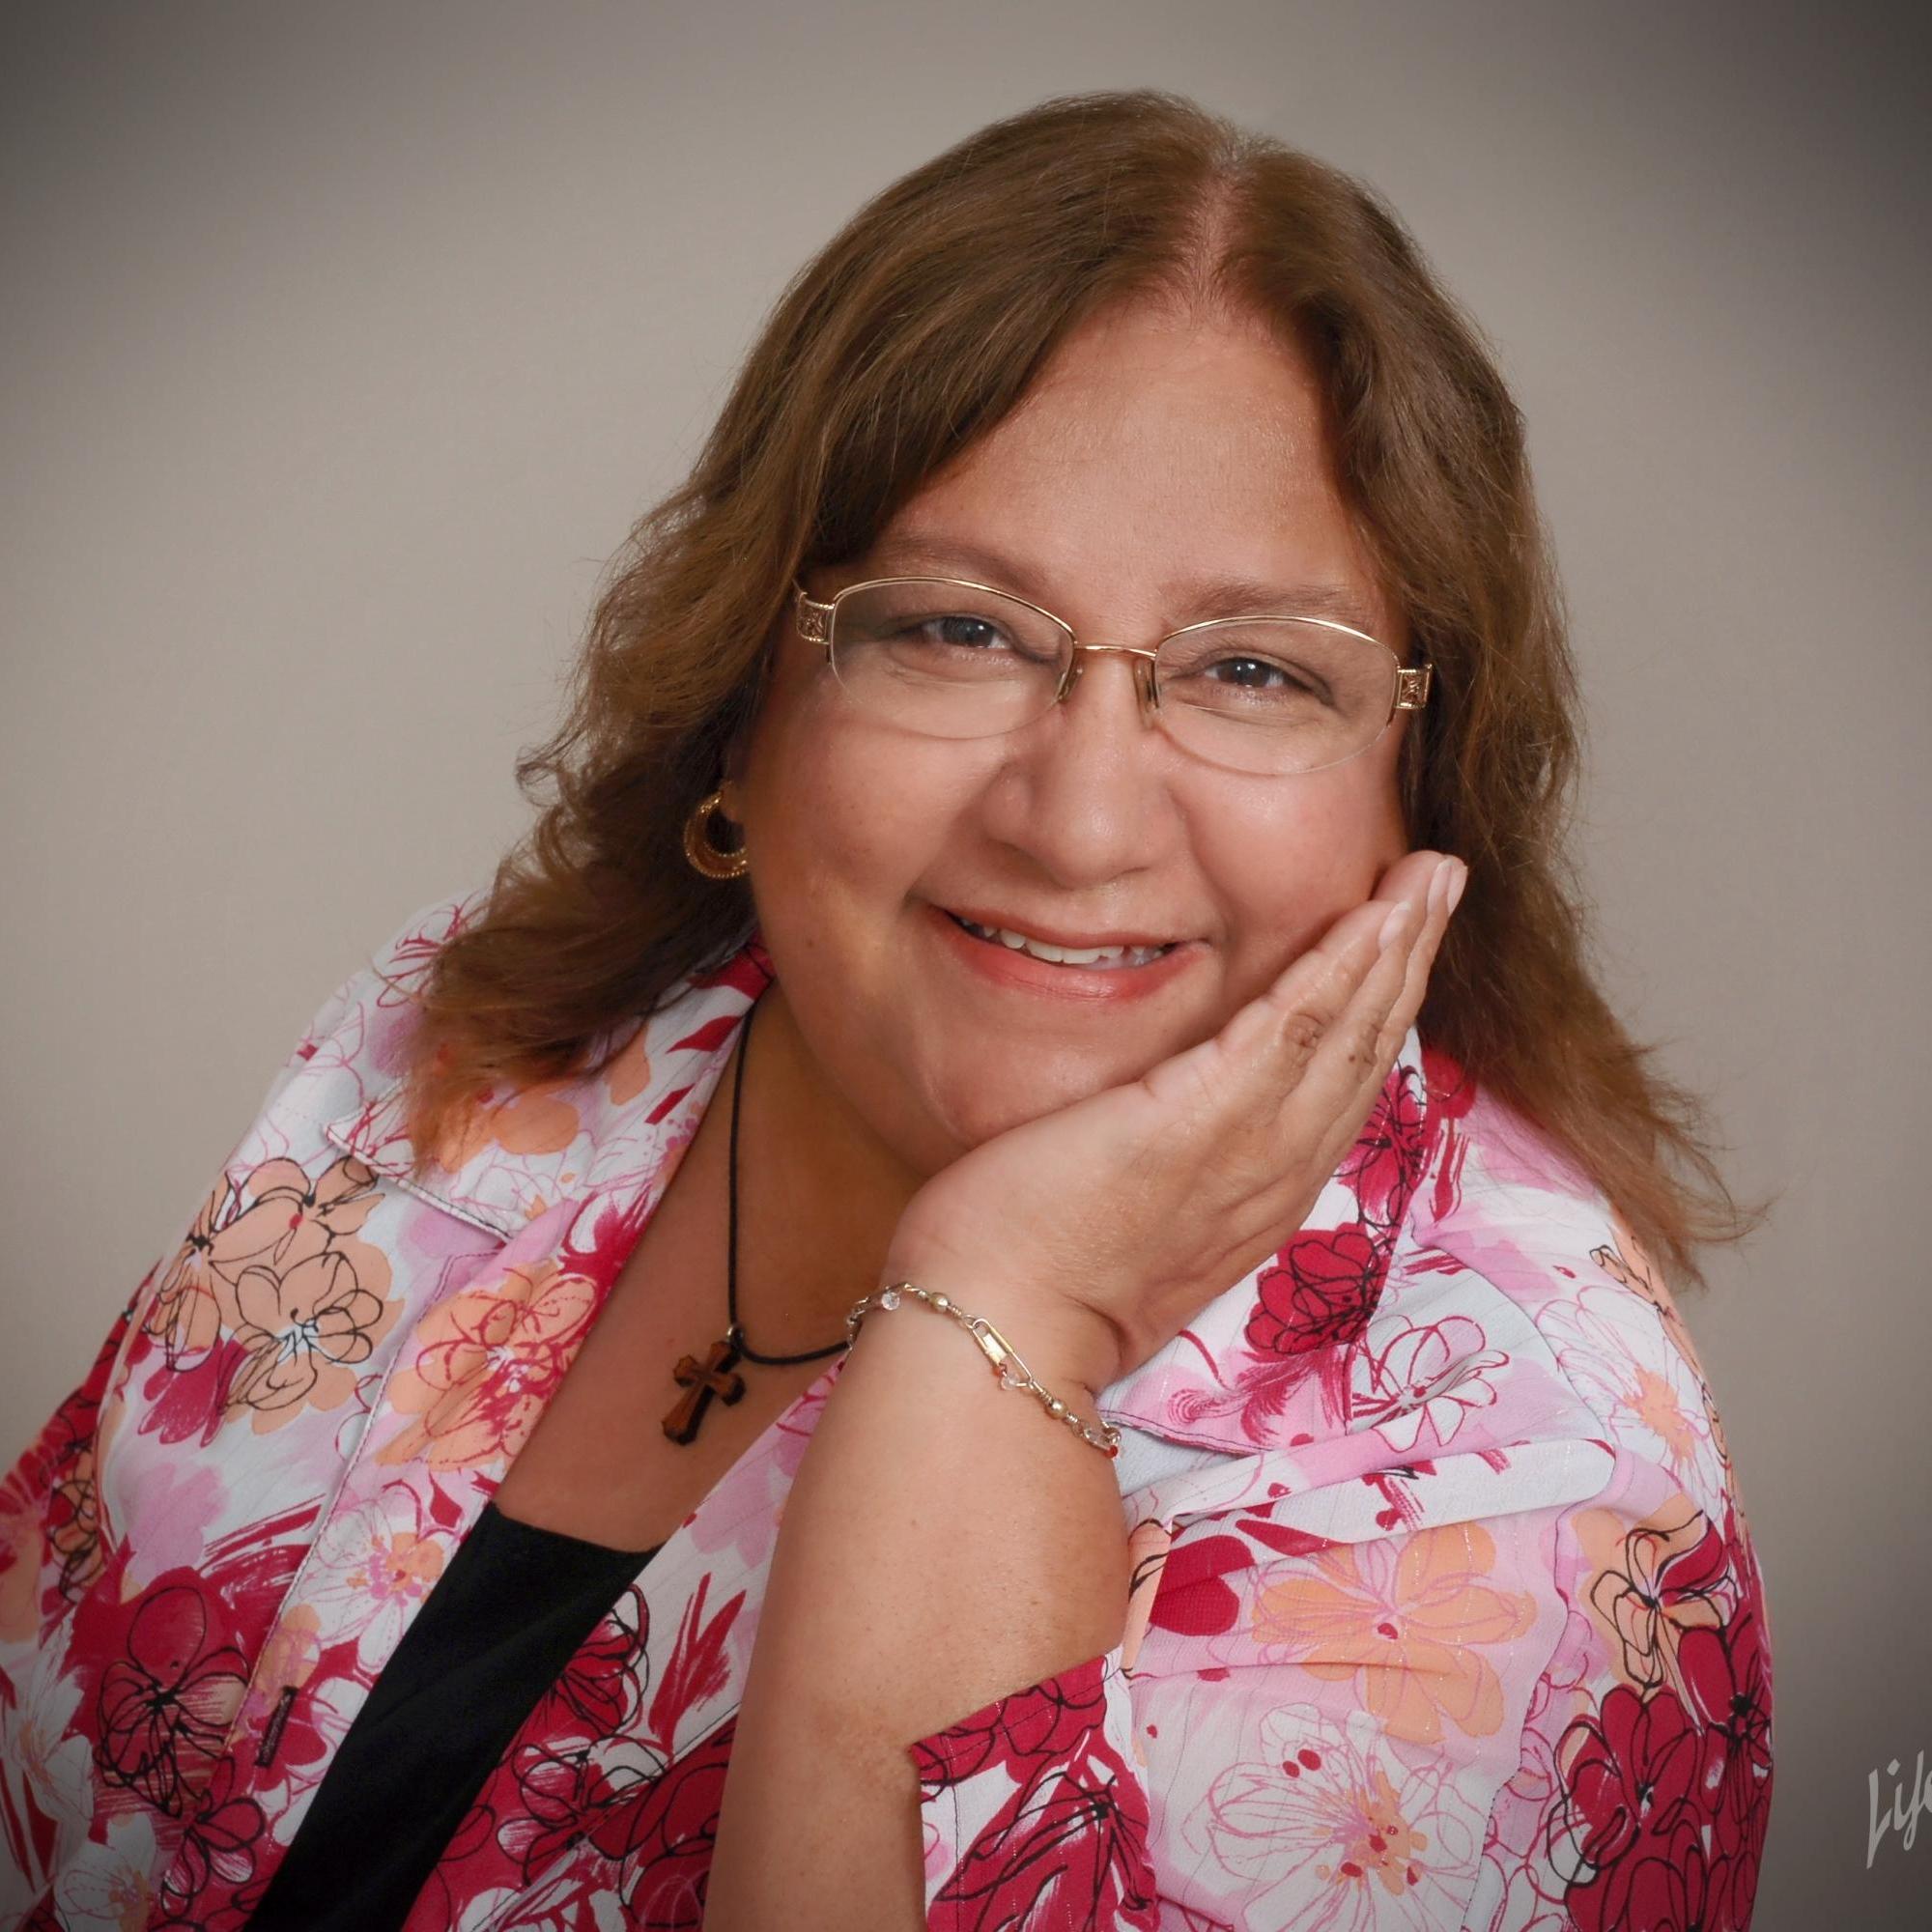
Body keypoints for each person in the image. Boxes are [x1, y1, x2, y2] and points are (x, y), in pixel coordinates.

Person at [0, 86, 1774, 1932]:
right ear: (749, 694)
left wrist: (1002, 1315)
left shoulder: (1529, 1488)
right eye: (959, 629)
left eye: (1252, 670)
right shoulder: (478, 1050)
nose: (1079, 820)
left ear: (1422, 779)